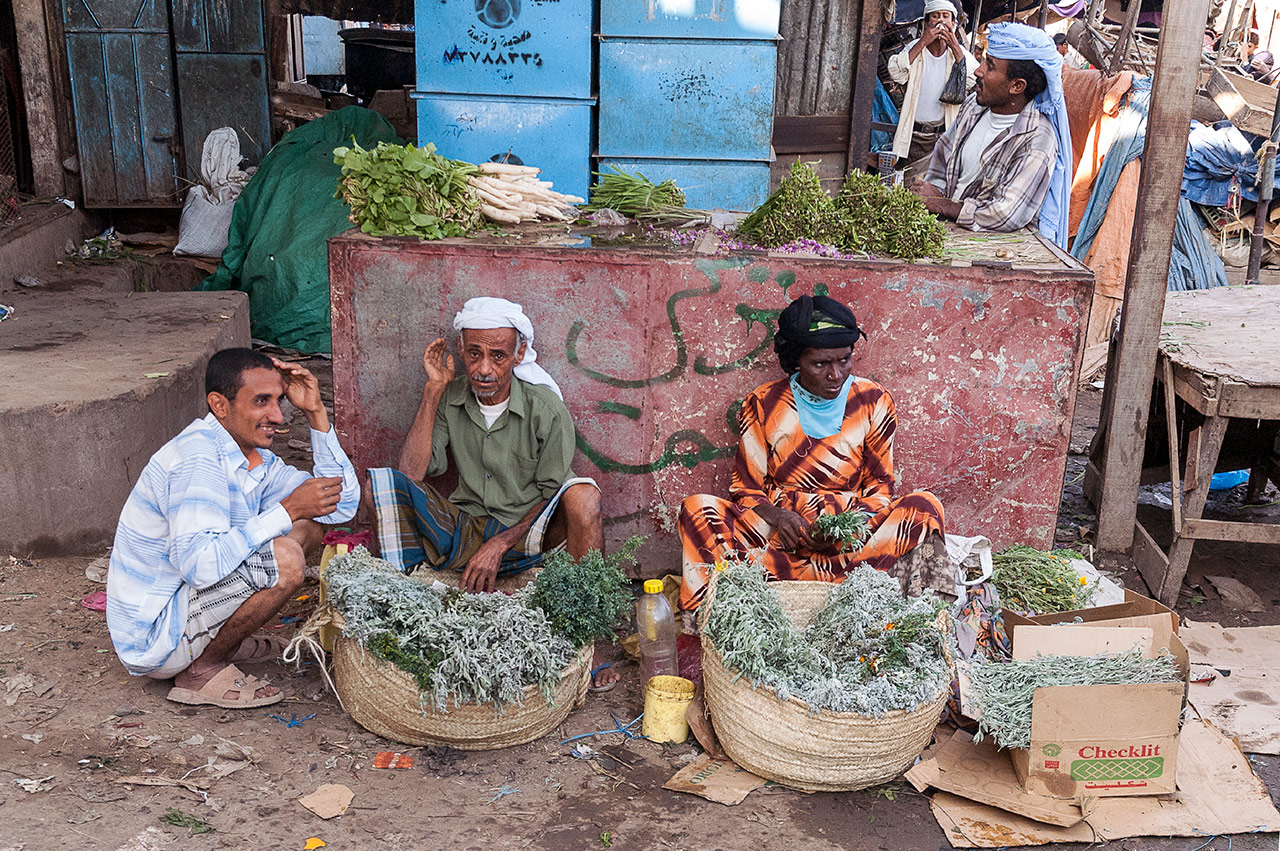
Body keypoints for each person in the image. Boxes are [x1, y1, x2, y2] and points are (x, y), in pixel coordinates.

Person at [365, 297, 617, 686]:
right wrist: (434, 390)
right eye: (474, 354)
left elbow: (553, 492)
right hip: (466, 525)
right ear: (462, 352)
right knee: (382, 487)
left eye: (498, 356)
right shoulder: (452, 397)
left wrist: (499, 544)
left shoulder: (544, 408)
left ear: (518, 355)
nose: (485, 369)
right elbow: (412, 473)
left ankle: (592, 641)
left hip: (528, 533)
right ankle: (402, 610)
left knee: (583, 496)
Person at [107, 349, 360, 709]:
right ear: (220, 405)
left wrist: (316, 413)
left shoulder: (251, 458)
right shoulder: (198, 460)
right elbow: (199, 566)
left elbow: (340, 505)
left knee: (310, 523)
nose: (276, 415)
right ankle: (201, 670)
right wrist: (286, 509)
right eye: (261, 402)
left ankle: (219, 640)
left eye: (279, 401)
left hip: (186, 602)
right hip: (153, 634)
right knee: (285, 557)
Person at [678, 295, 946, 611]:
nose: (835, 374)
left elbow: (879, 492)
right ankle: (702, 633)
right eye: (820, 364)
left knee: (926, 509)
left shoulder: (874, 401)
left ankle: (922, 622)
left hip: (851, 538)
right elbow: (746, 490)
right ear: (797, 361)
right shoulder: (763, 403)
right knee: (697, 510)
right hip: (781, 536)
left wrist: (842, 527)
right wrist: (780, 518)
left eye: (844, 360)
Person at [912, 22, 1073, 247]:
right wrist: (930, 198)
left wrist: (943, 205)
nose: (978, 70)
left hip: (991, 249)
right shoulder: (973, 107)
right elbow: (942, 157)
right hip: (946, 233)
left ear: (1017, 86)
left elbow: (1005, 214)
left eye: (990, 66)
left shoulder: (1037, 140)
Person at [887, 0, 979, 171]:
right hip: (914, 135)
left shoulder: (959, 53)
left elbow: (973, 79)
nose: (940, 21)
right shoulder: (914, 48)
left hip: (944, 135)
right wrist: (923, 42)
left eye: (945, 17)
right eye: (935, 16)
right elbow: (896, 74)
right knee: (910, 184)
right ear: (927, 23)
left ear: (953, 23)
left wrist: (954, 47)